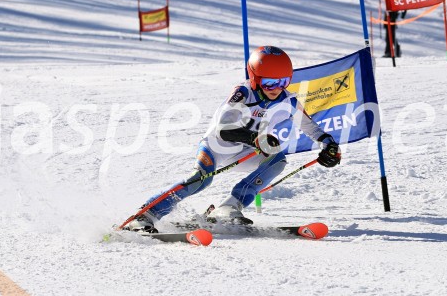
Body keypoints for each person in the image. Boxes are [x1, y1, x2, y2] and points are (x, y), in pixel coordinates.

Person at [124, 46, 342, 233]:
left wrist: (329, 144)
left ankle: (229, 207)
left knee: (278, 160)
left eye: (283, 82)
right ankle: (146, 215)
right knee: (200, 180)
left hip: (245, 152)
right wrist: (256, 138)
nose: (276, 89)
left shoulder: (289, 101)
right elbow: (224, 129)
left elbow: (312, 128)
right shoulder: (243, 93)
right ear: (256, 78)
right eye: (268, 83)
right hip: (217, 146)